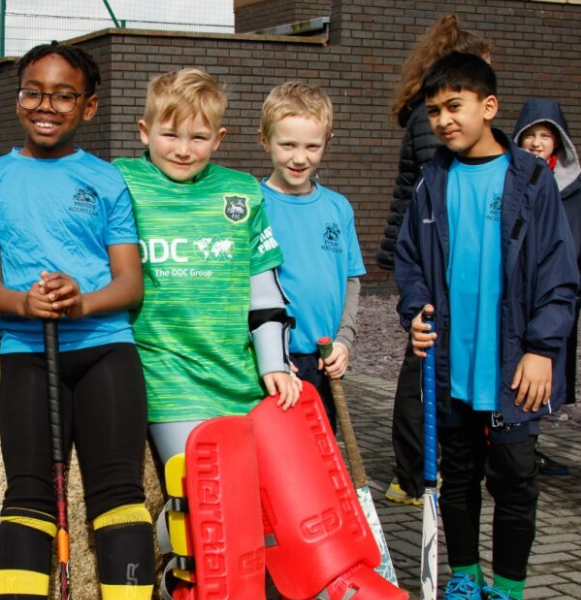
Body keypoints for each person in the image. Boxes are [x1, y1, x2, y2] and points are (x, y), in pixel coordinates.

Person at [0, 42, 156, 600]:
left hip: (104, 350)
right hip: (28, 349)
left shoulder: (107, 180)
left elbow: (128, 282)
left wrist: (82, 301)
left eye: (64, 96)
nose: (45, 106)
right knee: (27, 495)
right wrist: (23, 305)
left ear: (89, 107)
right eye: (33, 92)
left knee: (119, 494)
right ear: (19, 97)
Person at [396, 52, 578, 600]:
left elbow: (558, 273)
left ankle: (509, 587)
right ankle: (465, 577)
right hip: (452, 365)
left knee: (516, 478)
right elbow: (409, 262)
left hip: (513, 367)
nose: (444, 120)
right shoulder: (431, 181)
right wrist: (415, 312)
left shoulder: (531, 180)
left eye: (455, 106)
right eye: (434, 111)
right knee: (458, 479)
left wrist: (543, 349)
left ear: (488, 106)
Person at [112, 68, 299, 466]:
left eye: (198, 138)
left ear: (219, 138)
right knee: (200, 493)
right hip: (166, 375)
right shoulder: (119, 182)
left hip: (239, 374)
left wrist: (274, 363)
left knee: (263, 502)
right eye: (170, 135)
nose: (183, 150)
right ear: (144, 131)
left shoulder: (242, 192)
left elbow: (263, 288)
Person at [376, 14, 492, 507]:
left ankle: (423, 465)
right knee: (419, 363)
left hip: (429, 254)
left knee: (424, 360)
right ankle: (412, 471)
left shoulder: (428, 118)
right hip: (426, 258)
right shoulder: (436, 130)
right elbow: (435, 201)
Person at [257, 82, 364, 427]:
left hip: (324, 358)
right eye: (287, 144)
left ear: (327, 143)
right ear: (264, 140)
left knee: (323, 452)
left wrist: (344, 341)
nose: (299, 157)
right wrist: (269, 354)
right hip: (278, 361)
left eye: (311, 146)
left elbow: (351, 280)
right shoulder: (253, 205)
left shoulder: (338, 207)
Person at [512, 98, 581, 477]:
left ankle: (529, 445)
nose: (536, 143)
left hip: (556, 295)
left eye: (545, 136)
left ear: (558, 142)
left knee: (547, 370)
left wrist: (573, 293)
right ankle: (515, 445)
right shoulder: (511, 181)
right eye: (530, 135)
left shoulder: (570, 188)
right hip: (518, 295)